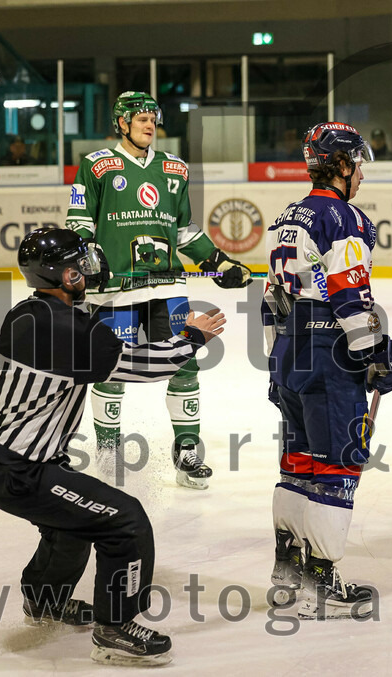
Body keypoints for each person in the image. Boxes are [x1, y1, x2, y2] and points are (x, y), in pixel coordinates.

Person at [0, 227, 226, 665]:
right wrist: (192, 336)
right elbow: (148, 366)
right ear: (61, 275)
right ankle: (115, 629)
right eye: (80, 265)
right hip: (22, 471)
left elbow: (90, 340)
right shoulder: (64, 328)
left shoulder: (29, 312)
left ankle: (45, 601)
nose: (90, 268)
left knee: (73, 524)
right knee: (125, 521)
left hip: (1, 459)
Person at [65, 91, 253, 490]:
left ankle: (186, 453)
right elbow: (79, 223)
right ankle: (108, 453)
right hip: (115, 290)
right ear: (122, 123)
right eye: (141, 119)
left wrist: (218, 261)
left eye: (153, 118)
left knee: (185, 361)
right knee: (110, 369)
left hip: (167, 286)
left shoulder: (175, 169)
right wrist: (88, 260)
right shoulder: (96, 166)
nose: (149, 125)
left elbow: (184, 231)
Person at [263, 122, 392, 618]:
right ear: (341, 164)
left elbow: (271, 299)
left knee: (298, 462)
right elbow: (349, 293)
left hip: (290, 351)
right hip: (328, 353)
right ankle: (320, 585)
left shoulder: (287, 216)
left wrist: (277, 364)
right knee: (338, 465)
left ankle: (288, 569)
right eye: (357, 163)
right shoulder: (345, 217)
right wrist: (376, 353)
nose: (361, 173)